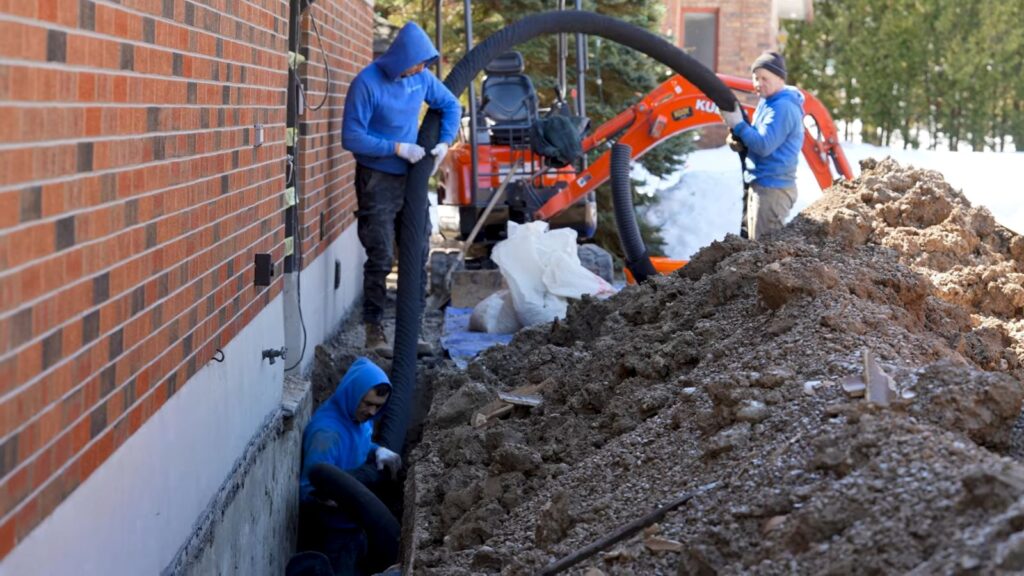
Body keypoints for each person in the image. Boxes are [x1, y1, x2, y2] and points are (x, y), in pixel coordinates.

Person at [342, 22, 462, 353]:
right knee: (380, 254)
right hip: (377, 178)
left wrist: (444, 142)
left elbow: (451, 106)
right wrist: (396, 148)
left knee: (417, 250)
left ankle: (414, 330)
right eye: (419, 61)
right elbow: (351, 137)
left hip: (411, 177)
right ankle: (373, 330)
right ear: (403, 58)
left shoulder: (420, 79)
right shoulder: (367, 84)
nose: (423, 68)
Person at [298, 357, 402, 575]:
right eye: (368, 403)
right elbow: (309, 489)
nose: (372, 412)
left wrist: (377, 450)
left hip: (356, 525)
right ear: (353, 394)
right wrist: (329, 498)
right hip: (333, 538)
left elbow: (360, 444)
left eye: (378, 406)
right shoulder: (327, 434)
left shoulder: (359, 419)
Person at [720, 51, 805, 240]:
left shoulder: (782, 107)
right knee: (753, 247)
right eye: (756, 78)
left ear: (780, 79)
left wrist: (738, 125)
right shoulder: (768, 102)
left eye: (765, 78)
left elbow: (764, 145)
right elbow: (760, 138)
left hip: (773, 189)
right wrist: (742, 141)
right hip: (762, 184)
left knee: (763, 251)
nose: (759, 83)